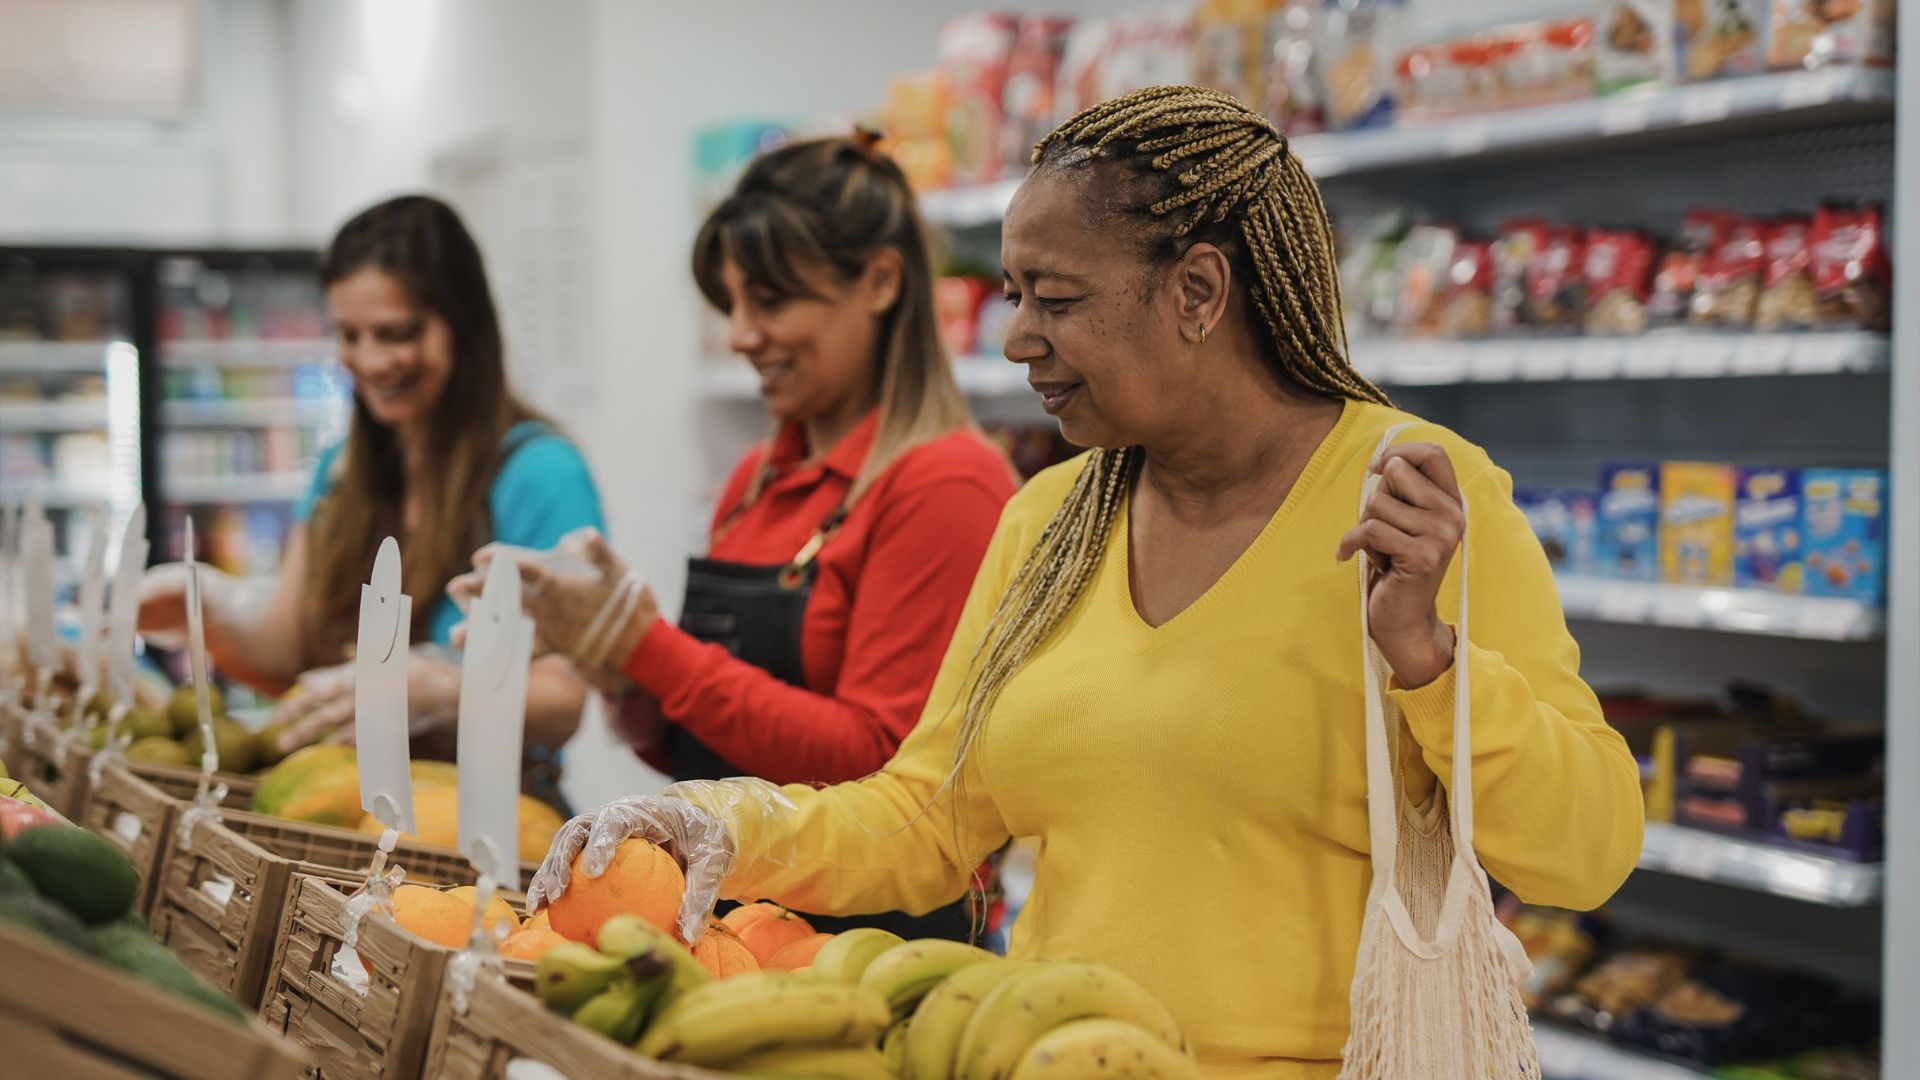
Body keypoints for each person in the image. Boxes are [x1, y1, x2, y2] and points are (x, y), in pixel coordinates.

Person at [514, 88, 1643, 1076]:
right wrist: (715, 821)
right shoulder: (1051, 521)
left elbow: (1587, 853)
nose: (1017, 339)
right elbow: (927, 814)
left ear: (1198, 290)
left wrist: (1430, 663)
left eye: (1053, 299)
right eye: (1013, 295)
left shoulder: (1415, 499)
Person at [462, 133, 1016, 939]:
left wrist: (648, 646)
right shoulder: (755, 480)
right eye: (732, 304)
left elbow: (884, 773)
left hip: (867, 949)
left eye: (772, 300)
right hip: (731, 923)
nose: (742, 334)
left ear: (880, 282)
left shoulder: (946, 485)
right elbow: (716, 756)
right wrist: (620, 676)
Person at [139, 195, 604, 807]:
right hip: (351, 819)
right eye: (350, 335)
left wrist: (442, 690)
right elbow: (288, 653)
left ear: (464, 324)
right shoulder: (340, 471)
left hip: (494, 828)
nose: (371, 360)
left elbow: (563, 699)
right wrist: (209, 612)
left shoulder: (541, 473)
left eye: (397, 334)